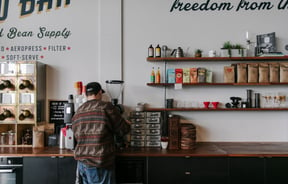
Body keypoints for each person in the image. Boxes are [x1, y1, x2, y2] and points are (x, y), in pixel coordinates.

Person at [72, 82, 131, 184]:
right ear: (100, 93)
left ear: (86, 95)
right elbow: (123, 130)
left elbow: (76, 134)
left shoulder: (78, 111)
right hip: (99, 163)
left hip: (81, 163)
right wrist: (127, 123)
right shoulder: (106, 107)